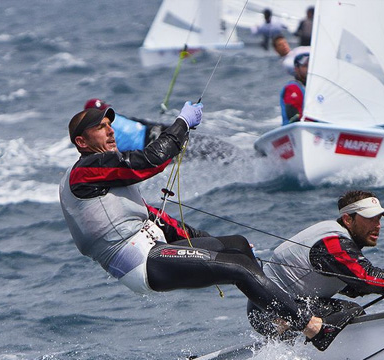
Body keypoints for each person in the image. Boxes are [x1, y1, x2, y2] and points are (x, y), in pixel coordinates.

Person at [59, 101, 327, 342]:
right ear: (82, 142)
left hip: (152, 249)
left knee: (238, 247)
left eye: (110, 125)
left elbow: (163, 223)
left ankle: (274, 322)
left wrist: (212, 245)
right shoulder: (85, 171)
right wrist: (182, 123)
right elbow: (150, 160)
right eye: (101, 127)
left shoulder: (101, 179)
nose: (111, 131)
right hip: (139, 263)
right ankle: (310, 325)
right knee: (238, 267)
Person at [247, 190, 384, 350]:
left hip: (279, 308)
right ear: (348, 219)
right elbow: (366, 277)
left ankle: (299, 348)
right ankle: (324, 353)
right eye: (370, 219)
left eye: (379, 219)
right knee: (350, 312)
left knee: (346, 310)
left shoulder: (338, 240)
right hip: (268, 310)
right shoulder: (333, 242)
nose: (377, 225)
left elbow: (350, 283)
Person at [84, 99, 165, 152]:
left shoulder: (112, 116)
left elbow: (134, 120)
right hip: (148, 146)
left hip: (152, 132)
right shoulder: (99, 133)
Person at [280, 53, 308, 125]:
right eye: (305, 66)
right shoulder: (293, 88)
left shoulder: (316, 89)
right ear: (296, 68)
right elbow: (292, 115)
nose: (308, 69)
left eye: (311, 66)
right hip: (296, 129)